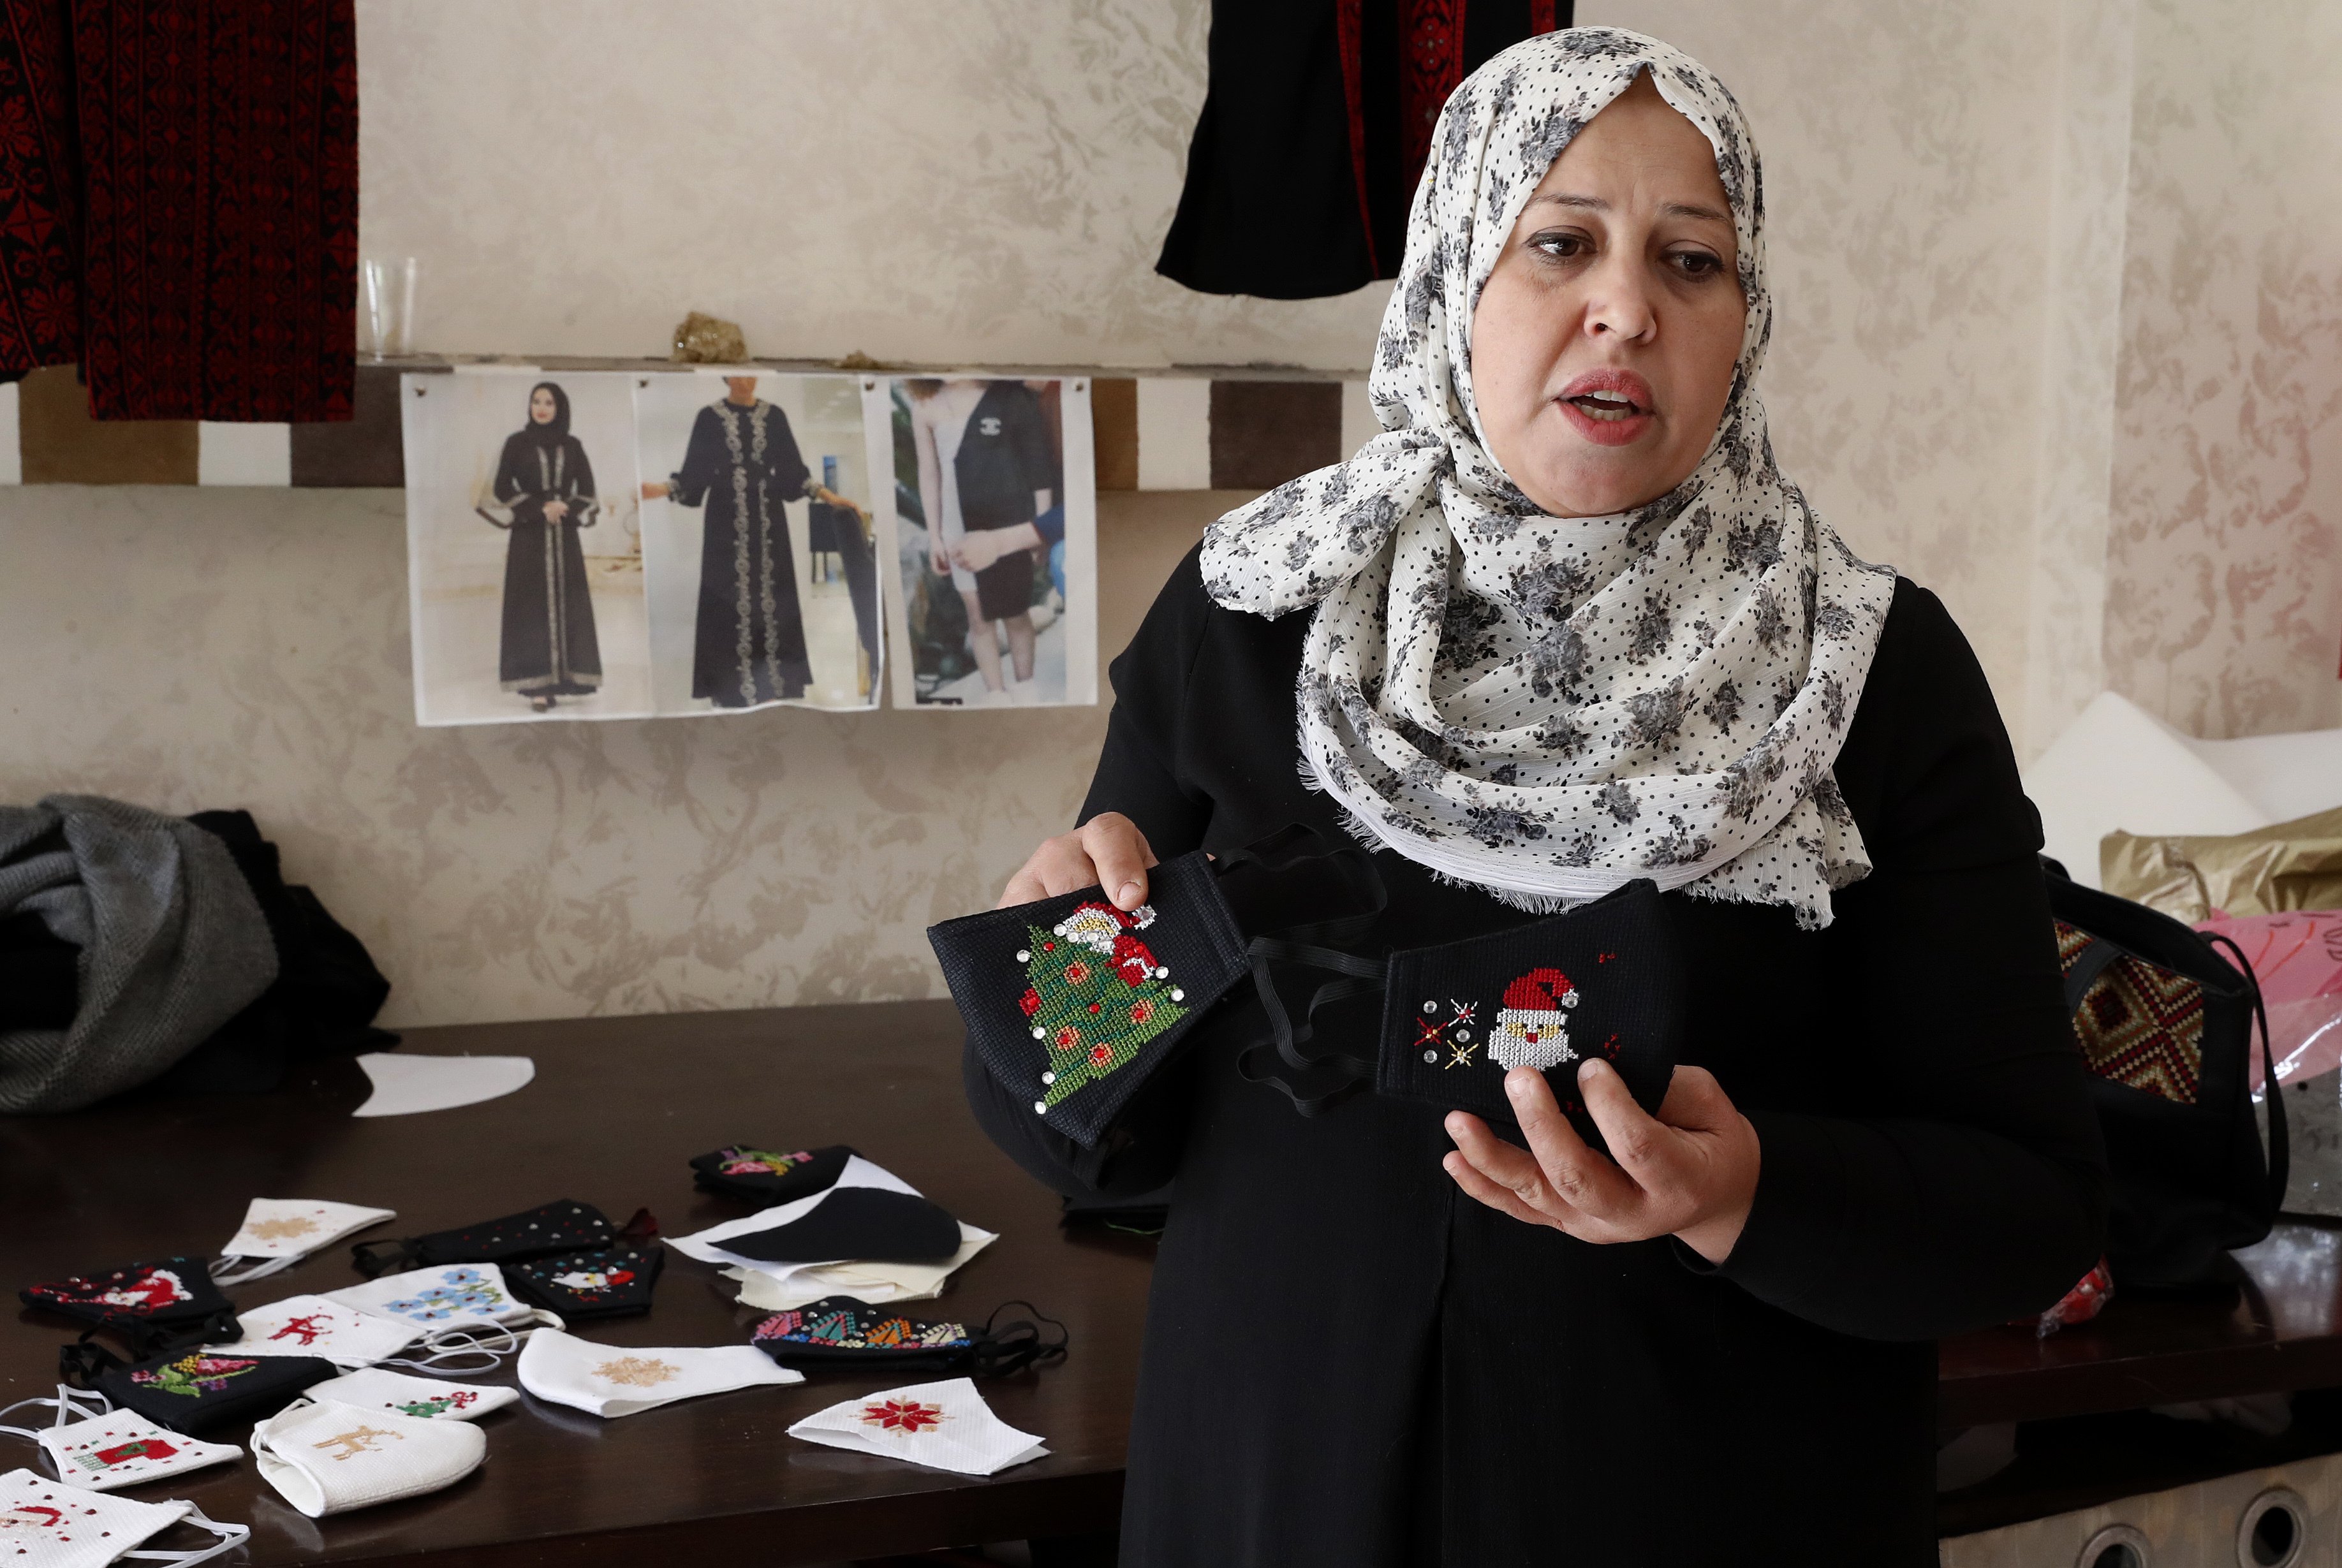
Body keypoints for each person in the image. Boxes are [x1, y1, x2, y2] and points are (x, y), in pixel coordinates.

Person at [967, 29, 2105, 1567]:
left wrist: (1742, 1191)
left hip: (1712, 1509)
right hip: (1276, 1490)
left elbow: (2030, 1203)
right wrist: (1068, 971)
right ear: (1454, 277)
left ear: (1745, 321)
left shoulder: (1864, 674)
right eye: (1560, 243)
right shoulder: (1255, 615)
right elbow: (1086, 1144)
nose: (1625, 308)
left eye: (1690, 261)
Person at [640, 377, 867, 708]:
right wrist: (660, 489)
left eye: (750, 374)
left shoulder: (774, 416)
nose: (745, 380)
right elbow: (695, 472)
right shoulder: (710, 417)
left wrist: (830, 496)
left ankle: (774, 683)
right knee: (725, 597)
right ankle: (729, 688)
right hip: (723, 522)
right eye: (737, 374)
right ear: (725, 377)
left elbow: (793, 473)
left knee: (773, 595)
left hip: (768, 519)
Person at [908, 378, 1054, 704]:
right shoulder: (925, 406)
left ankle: (1026, 688)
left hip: (1009, 517)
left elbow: (1037, 463)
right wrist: (935, 537)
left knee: (1016, 611)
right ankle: (996, 694)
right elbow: (929, 474)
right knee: (978, 615)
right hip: (956, 523)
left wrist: (1040, 527)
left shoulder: (1008, 396)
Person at [485, 382, 601, 714]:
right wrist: (540, 507)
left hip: (565, 535)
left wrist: (565, 507)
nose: (541, 408)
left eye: (549, 402)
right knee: (531, 605)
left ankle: (564, 681)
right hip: (529, 535)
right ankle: (536, 687)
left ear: (559, 407)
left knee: (568, 603)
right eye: (536, 401)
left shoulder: (573, 445)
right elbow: (502, 486)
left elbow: (587, 489)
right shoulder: (516, 443)